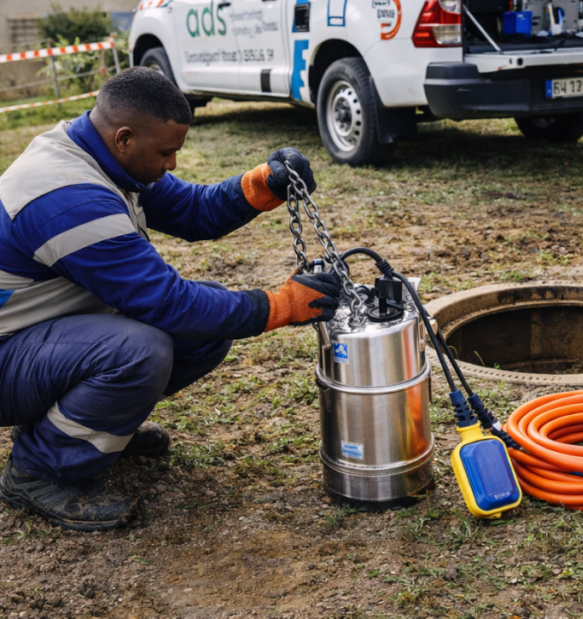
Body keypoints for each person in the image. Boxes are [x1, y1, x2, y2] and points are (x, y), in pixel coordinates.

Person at [0, 67, 343, 531]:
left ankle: (90, 429)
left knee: (204, 328)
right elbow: (168, 303)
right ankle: (38, 470)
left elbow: (193, 211)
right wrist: (282, 305)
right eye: (166, 152)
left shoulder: (102, 156)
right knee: (140, 351)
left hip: (32, 342)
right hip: (8, 357)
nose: (173, 164)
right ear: (124, 138)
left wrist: (264, 184)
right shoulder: (67, 197)